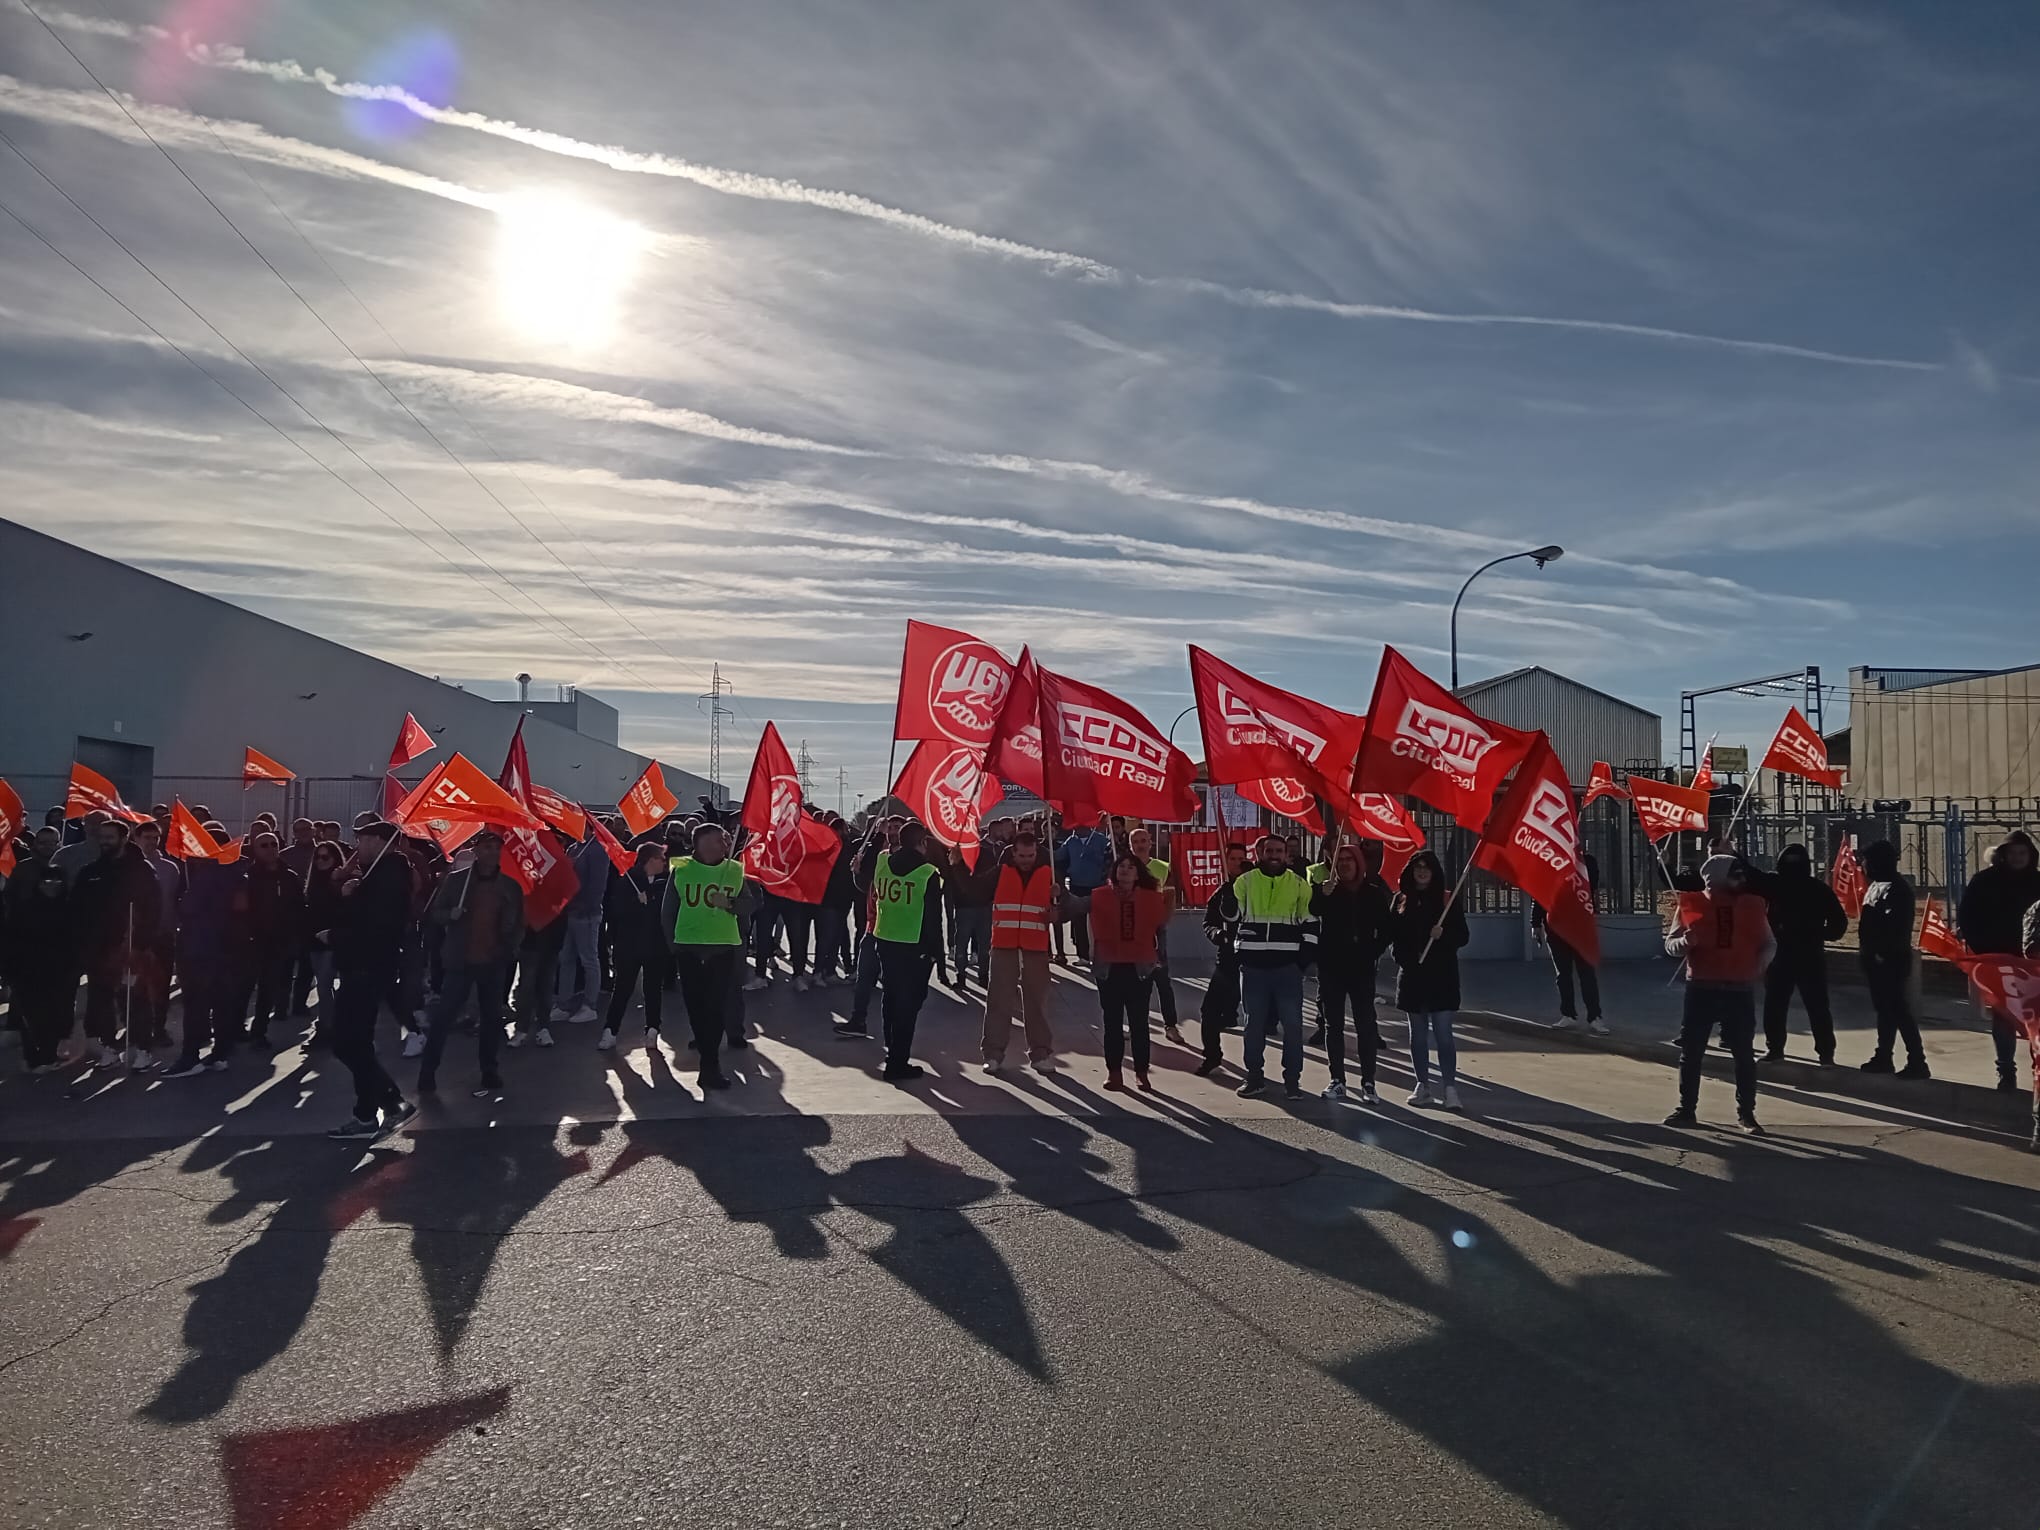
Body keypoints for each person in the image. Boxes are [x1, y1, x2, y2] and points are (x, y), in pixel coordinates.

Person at [1663, 854, 1773, 1135]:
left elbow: (1769, 942)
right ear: (1716, 877)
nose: (1742, 879)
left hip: (1739, 988)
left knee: (1744, 1054)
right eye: (1734, 874)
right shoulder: (1691, 903)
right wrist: (1685, 942)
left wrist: (1763, 961)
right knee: (1692, 1052)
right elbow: (1670, 945)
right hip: (1702, 987)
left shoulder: (1753, 904)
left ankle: (1747, 1114)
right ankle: (1687, 1110)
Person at [323, 822, 418, 1139]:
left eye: (362, 838)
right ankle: (366, 1115)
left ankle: (392, 1103)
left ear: (379, 840)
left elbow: (375, 928)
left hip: (367, 967)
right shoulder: (375, 875)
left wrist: (335, 935)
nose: (358, 844)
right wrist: (347, 890)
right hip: (361, 966)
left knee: (346, 1043)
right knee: (358, 1043)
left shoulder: (387, 878)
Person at [418, 829, 524, 1096]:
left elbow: (518, 923)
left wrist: (510, 948)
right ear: (475, 850)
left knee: (490, 1020)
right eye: (486, 847)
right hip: (460, 960)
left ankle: (489, 1071)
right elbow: (435, 913)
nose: (492, 852)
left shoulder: (509, 886)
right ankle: (428, 1072)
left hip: (493, 960)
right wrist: (450, 915)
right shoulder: (457, 882)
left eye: (496, 847)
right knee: (444, 1018)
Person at [1212, 835, 1317, 1099]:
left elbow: (1311, 923)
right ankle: (1254, 1077)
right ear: (1259, 853)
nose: (1274, 855)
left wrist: (1303, 960)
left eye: (1279, 851)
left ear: (1286, 855)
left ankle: (1292, 1081)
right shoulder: (1244, 882)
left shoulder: (1299, 884)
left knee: (1292, 1026)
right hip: (1253, 967)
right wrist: (1227, 896)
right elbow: (1232, 916)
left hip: (1287, 968)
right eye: (1269, 850)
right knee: (1253, 1025)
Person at [662, 821, 746, 1091]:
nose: (723, 845)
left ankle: (710, 1066)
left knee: (717, 1008)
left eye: (723, 841)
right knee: (697, 1008)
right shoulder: (682, 867)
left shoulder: (734, 869)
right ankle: (707, 1055)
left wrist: (731, 904)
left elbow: (752, 905)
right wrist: (672, 945)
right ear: (700, 844)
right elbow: (668, 910)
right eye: (717, 841)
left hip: (722, 948)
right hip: (688, 947)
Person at [69, 818, 160, 1068]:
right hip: (98, 950)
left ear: (124, 838)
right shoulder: (91, 872)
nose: (105, 842)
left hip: (131, 947)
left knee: (135, 999)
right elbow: (76, 909)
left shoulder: (141, 870)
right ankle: (108, 1046)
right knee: (101, 1000)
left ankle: (142, 1048)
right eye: (102, 837)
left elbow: (153, 909)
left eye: (110, 837)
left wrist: (140, 943)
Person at [859, 819, 945, 1081]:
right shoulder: (928, 873)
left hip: (884, 940)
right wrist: (937, 955)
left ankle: (892, 1053)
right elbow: (933, 919)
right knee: (909, 1005)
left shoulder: (883, 863)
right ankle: (898, 1062)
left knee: (891, 1000)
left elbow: (868, 887)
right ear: (922, 843)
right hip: (914, 945)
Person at [1312, 829, 1393, 1102]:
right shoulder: (1328, 890)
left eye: (1350, 859)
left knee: (1365, 1024)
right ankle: (1337, 1080)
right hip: (1331, 968)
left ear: (1359, 863)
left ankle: (1369, 1082)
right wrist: (1322, 894)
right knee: (1332, 1025)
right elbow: (1312, 911)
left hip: (1361, 969)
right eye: (1340, 860)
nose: (1345, 864)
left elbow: (1386, 930)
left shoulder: (1373, 893)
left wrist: (1372, 951)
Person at [161, 831, 251, 1077]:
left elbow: (188, 909)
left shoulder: (208, 876)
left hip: (203, 949)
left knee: (196, 1005)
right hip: (228, 950)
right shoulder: (239, 876)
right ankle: (221, 1052)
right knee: (222, 1004)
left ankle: (190, 1056)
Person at [1957, 829, 2040, 1094]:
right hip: (1998, 963)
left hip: (2033, 964)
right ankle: (2006, 1071)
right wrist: (1983, 951)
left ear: (2030, 855)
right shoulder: (1984, 882)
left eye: (2022, 853)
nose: (2017, 858)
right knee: (2004, 1017)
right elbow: (1968, 918)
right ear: (2003, 855)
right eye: (2013, 853)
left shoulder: (2037, 882)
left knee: (2035, 1020)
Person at [1389, 850, 1470, 1110]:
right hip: (1413, 977)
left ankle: (1450, 1088)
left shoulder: (1448, 900)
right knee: (1418, 1035)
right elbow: (1395, 941)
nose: (1422, 872)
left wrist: (1443, 933)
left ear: (1434, 872)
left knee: (1444, 1034)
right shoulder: (1400, 900)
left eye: (1427, 868)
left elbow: (1463, 936)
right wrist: (1407, 960)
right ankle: (1422, 1084)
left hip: (1442, 977)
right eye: (1417, 868)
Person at [1759, 843, 1847, 1065]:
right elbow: (1839, 923)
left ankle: (1777, 1049)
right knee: (1815, 1006)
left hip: (1784, 954)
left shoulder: (1776, 886)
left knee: (1778, 1005)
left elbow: (1839, 923)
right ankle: (1825, 1054)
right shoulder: (1818, 889)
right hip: (1807, 954)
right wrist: (1819, 934)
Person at [981, 831, 1060, 1072]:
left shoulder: (1051, 875)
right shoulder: (999, 873)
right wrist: (957, 865)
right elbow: (972, 890)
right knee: (998, 1000)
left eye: (1031, 854)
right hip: (1004, 945)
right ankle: (993, 1054)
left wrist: (1059, 907)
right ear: (1013, 853)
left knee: (1036, 1002)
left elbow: (1065, 908)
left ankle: (1040, 1054)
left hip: (1035, 947)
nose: (1027, 859)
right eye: (1023, 855)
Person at [1091, 853, 1167, 1091]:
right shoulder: (1100, 896)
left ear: (1137, 873)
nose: (1125, 870)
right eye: (1121, 866)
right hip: (1110, 968)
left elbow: (1160, 928)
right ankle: (1114, 1072)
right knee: (1112, 1022)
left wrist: (1161, 960)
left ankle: (1141, 1072)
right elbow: (1074, 905)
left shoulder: (1150, 898)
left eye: (1130, 867)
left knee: (1139, 1023)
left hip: (1139, 968)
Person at [1854, 840, 1928, 1079]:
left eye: (1867, 861)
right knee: (1886, 1011)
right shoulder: (1876, 886)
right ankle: (1883, 1055)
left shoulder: (1897, 889)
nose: (1864, 866)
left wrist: (1880, 954)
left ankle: (1917, 1060)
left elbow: (1894, 928)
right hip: (1875, 959)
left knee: (1898, 1011)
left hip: (1890, 960)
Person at [4, 861, 76, 1072]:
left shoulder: (68, 909)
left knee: (57, 1015)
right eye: (46, 880)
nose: (51, 884)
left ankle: (48, 1055)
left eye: (56, 880)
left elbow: (76, 940)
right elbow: (11, 940)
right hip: (28, 972)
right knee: (33, 1017)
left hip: (60, 972)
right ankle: (34, 1058)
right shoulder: (24, 908)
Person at [601, 842, 669, 1049]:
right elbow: (616, 911)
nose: (664, 862)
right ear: (650, 860)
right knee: (622, 988)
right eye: (661, 858)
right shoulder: (627, 881)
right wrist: (635, 901)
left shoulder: (665, 882)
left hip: (655, 945)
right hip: (629, 946)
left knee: (653, 989)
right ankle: (610, 1030)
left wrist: (651, 897)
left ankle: (653, 1029)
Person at [243, 831, 306, 1048]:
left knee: (268, 989)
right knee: (244, 988)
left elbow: (300, 906)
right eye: (264, 845)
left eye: (273, 844)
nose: (270, 848)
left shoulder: (289, 876)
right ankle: (236, 1029)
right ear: (255, 849)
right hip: (251, 942)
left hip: (279, 942)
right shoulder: (247, 876)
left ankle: (259, 1031)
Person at [1195, 840, 1252, 1077]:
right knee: (1208, 1011)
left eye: (1241, 858)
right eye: (1233, 859)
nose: (1238, 863)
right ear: (1225, 862)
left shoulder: (1255, 885)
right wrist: (1217, 935)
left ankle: (1255, 1068)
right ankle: (1212, 1055)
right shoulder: (1222, 892)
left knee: (1256, 1018)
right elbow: (1209, 922)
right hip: (1228, 961)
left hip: (1254, 961)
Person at [130, 817, 184, 1055]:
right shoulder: (128, 867)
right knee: (134, 987)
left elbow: (174, 899)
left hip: (163, 935)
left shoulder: (170, 868)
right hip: (134, 938)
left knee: (161, 986)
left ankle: (158, 1029)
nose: (151, 842)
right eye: (147, 838)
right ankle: (135, 1030)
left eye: (155, 838)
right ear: (136, 839)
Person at [1539, 850, 1607, 1036]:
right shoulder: (1548, 861)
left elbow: (1591, 883)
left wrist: (1576, 863)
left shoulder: (1587, 862)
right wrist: (1535, 923)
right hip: (1556, 928)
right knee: (1563, 975)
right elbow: (1540, 893)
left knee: (1586, 974)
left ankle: (1595, 1017)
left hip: (1580, 928)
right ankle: (1568, 1014)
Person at [1127, 827, 1182, 1042]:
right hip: (1131, 930)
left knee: (1161, 979)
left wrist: (1161, 922)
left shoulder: (1162, 868)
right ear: (1130, 845)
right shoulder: (1124, 867)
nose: (1140, 845)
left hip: (1155, 931)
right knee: (1134, 982)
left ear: (1150, 842)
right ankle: (1136, 1025)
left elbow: (1170, 898)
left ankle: (1171, 1025)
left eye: (1143, 840)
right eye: (1136, 842)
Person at [552, 823, 610, 1025]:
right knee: (566, 957)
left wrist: (588, 905)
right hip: (570, 911)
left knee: (588, 959)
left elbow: (598, 883)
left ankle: (590, 1004)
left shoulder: (597, 850)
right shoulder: (574, 847)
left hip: (587, 913)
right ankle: (563, 1002)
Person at [302, 840, 346, 1033]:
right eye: (318, 857)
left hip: (332, 939)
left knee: (325, 984)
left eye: (325, 857)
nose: (321, 861)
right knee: (322, 983)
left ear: (335, 859)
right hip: (314, 939)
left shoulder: (339, 883)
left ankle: (328, 1026)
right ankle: (330, 1023)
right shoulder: (313, 882)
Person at [1054, 818, 1110, 963]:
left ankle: (1101, 954)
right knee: (1078, 922)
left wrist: (1094, 855)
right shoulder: (1071, 841)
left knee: (1098, 922)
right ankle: (1083, 955)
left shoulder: (1100, 840)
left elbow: (1108, 859)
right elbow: (1058, 855)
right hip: (1077, 885)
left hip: (1097, 885)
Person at [947, 840, 998, 991]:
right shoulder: (985, 853)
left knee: (963, 944)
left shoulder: (956, 854)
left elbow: (951, 880)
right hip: (978, 905)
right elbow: (993, 877)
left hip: (967, 906)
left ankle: (962, 976)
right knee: (982, 945)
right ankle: (982, 977)